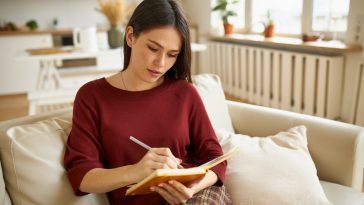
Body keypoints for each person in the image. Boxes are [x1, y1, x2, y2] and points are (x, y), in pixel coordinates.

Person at [64, 0, 231, 204]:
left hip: (197, 197)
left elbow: (215, 158)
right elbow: (82, 176)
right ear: (130, 36)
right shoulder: (91, 96)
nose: (160, 63)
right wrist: (136, 172)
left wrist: (192, 186)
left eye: (172, 55)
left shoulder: (185, 92)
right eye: (153, 48)